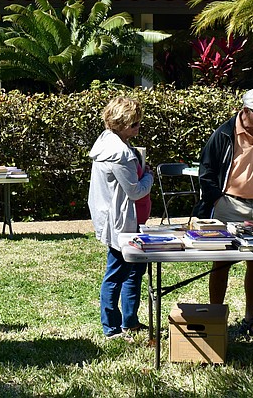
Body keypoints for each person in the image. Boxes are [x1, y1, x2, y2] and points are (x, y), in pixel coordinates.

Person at [192, 88, 253, 338]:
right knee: (221, 262)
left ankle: (251, 318)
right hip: (230, 206)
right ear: (246, 111)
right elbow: (207, 172)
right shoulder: (223, 134)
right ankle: (216, 317)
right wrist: (217, 199)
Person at [88, 96, 154, 339]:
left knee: (134, 272)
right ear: (120, 123)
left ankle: (130, 321)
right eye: (134, 124)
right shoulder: (120, 154)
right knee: (116, 274)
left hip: (127, 220)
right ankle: (112, 327)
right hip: (124, 223)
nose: (138, 128)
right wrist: (149, 176)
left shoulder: (109, 143)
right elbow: (135, 190)